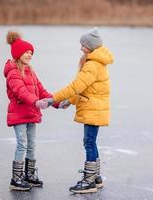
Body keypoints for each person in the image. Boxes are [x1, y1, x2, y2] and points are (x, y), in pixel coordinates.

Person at [47, 27, 114, 194]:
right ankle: (96, 177)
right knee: (91, 142)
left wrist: (53, 98)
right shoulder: (96, 63)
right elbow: (85, 89)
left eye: (83, 45)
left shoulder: (92, 65)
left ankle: (89, 181)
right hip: (94, 107)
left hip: (93, 109)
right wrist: (69, 102)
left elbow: (75, 86)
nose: (81, 48)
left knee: (89, 143)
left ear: (90, 46)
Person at [3, 31, 58, 191]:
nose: (29, 55)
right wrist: (36, 102)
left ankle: (29, 175)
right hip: (19, 113)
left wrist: (56, 102)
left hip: (31, 113)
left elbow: (41, 90)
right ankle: (16, 179)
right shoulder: (13, 72)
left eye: (31, 53)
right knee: (22, 144)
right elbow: (21, 92)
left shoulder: (30, 71)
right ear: (18, 54)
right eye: (26, 52)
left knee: (32, 144)